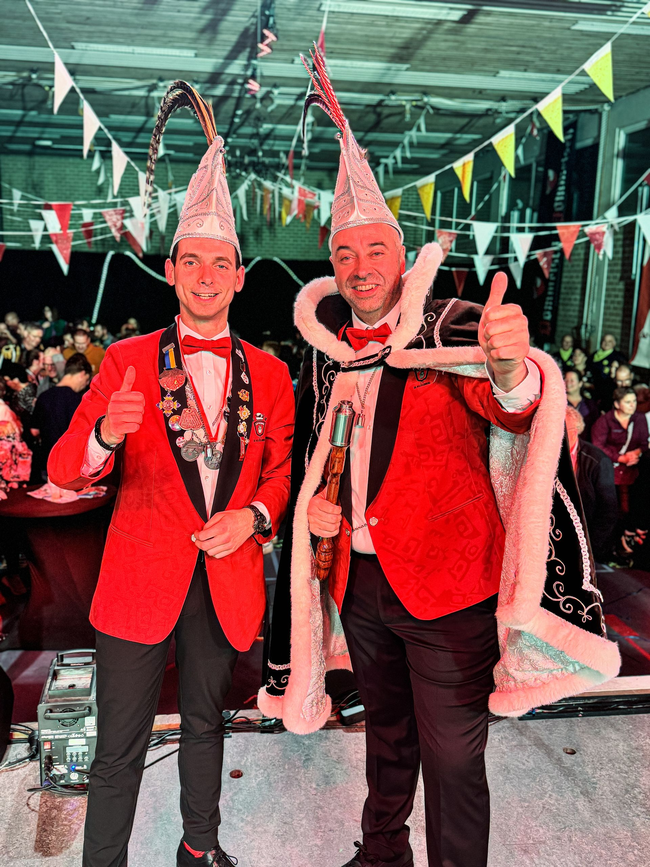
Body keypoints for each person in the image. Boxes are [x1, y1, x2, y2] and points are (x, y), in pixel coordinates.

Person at [260, 51, 619, 867]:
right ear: (333, 263)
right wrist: (319, 504)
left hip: (449, 587)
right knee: (387, 741)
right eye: (344, 254)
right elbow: (330, 452)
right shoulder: (325, 352)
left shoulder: (454, 325)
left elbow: (515, 402)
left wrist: (506, 362)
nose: (359, 267)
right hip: (362, 582)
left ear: (399, 250)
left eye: (374, 250)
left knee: (455, 760)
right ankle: (381, 853)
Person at [48, 81, 294, 867]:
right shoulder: (125, 361)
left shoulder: (274, 375)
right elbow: (63, 470)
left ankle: (200, 847)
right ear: (172, 267)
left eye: (222, 262)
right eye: (193, 260)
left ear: (240, 274)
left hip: (225, 576)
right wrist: (102, 437)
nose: (207, 274)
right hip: (136, 581)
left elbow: (281, 476)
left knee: (205, 726)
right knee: (118, 748)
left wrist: (253, 519)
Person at [565, 406, 617, 563]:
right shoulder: (547, 454)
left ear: (575, 431)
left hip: (585, 536)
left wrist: (589, 546)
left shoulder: (598, 461)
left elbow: (608, 511)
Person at [591, 386, 649, 516]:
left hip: (632, 469)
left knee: (632, 505)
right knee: (610, 507)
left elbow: (645, 443)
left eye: (634, 401)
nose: (632, 405)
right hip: (610, 470)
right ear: (617, 404)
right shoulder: (604, 421)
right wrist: (620, 458)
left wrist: (636, 453)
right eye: (628, 402)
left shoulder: (640, 418)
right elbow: (597, 446)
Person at [31, 353, 91, 460]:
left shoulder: (43, 396)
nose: (85, 385)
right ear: (82, 374)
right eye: (87, 380)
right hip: (69, 461)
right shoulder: (78, 401)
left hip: (47, 460)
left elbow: (34, 431)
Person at [589, 333, 626, 405]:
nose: (606, 343)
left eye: (610, 341)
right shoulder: (594, 355)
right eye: (604, 341)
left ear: (614, 343)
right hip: (592, 390)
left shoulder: (618, 357)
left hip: (607, 392)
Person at [565, 368, 598, 438]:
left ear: (580, 383)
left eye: (572, 380)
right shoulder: (559, 404)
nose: (568, 383)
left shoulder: (590, 404)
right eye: (566, 380)